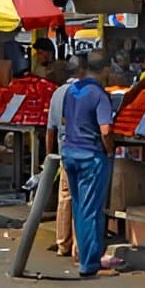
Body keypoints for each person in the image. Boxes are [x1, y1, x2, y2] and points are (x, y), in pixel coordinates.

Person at [60, 49, 123, 276]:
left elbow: (65, 120)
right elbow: (106, 130)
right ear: (105, 70)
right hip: (91, 156)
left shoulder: (72, 91)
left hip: (70, 152)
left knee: (79, 208)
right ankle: (89, 264)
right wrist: (110, 150)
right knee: (91, 210)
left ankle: (87, 255)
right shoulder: (99, 95)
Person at [44, 55, 82, 259]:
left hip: (64, 150)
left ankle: (62, 243)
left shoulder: (57, 94)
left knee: (65, 197)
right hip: (82, 150)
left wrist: (50, 156)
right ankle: (78, 245)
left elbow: (50, 129)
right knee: (80, 198)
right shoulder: (84, 93)